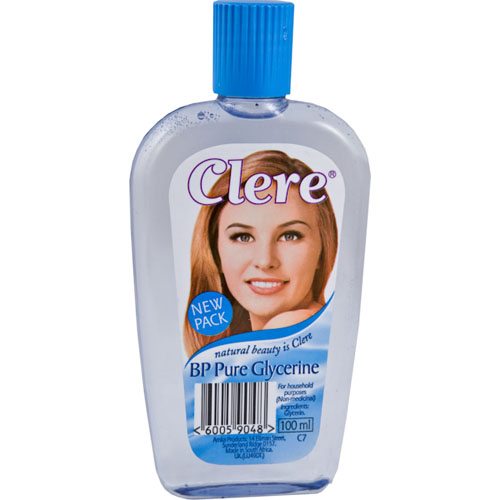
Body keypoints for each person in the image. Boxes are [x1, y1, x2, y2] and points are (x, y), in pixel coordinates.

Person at [184, 150, 338, 356]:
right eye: (243, 237)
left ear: (322, 249)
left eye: (290, 236)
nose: (265, 261)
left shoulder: (289, 326)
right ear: (214, 251)